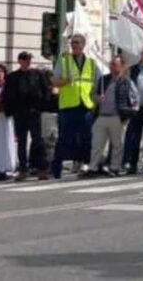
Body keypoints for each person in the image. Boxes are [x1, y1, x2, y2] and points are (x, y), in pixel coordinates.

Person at [51, 34, 101, 179]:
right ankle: (56, 168)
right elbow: (54, 81)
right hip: (68, 106)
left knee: (86, 137)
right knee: (63, 138)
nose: (74, 45)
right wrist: (66, 81)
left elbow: (98, 84)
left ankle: (85, 163)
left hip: (85, 105)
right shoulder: (64, 60)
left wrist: (95, 101)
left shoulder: (91, 63)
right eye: (72, 43)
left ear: (83, 45)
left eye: (77, 42)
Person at [3, 51, 52, 181]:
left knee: (38, 141)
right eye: (25, 59)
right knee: (21, 142)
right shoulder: (12, 77)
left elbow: (46, 90)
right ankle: (23, 169)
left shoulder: (38, 74)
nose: (27, 61)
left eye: (29, 59)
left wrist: (41, 106)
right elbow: (7, 94)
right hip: (19, 113)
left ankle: (41, 168)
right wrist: (10, 111)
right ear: (19, 61)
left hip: (34, 112)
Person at [89, 56, 139, 175]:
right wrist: (97, 98)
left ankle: (115, 167)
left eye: (115, 64)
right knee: (97, 144)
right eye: (111, 64)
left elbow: (135, 98)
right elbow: (92, 94)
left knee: (117, 145)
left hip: (117, 116)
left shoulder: (126, 81)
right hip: (102, 116)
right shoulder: (103, 80)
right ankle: (94, 167)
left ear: (121, 66)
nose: (112, 67)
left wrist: (130, 113)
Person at [123, 45, 143, 174]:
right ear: (141, 54)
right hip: (137, 106)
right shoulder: (133, 69)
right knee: (134, 135)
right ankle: (131, 163)